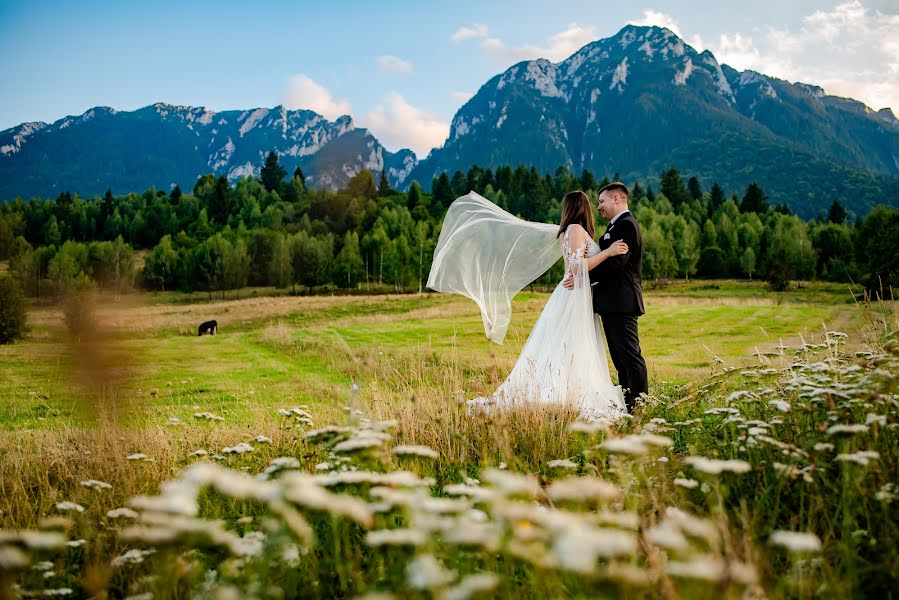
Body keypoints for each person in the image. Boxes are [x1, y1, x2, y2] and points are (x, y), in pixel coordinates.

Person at [427, 190, 628, 420]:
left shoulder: (574, 231)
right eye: (594, 204)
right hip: (573, 298)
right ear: (583, 208)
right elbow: (576, 266)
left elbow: (579, 267)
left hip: (579, 295)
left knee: (575, 344)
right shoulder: (575, 229)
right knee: (570, 344)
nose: (597, 207)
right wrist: (609, 252)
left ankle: (574, 389)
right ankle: (563, 394)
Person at [564, 181, 647, 412]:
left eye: (602, 201)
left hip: (622, 302)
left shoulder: (627, 226)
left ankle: (640, 406)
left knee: (630, 356)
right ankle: (629, 404)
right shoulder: (614, 228)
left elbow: (616, 265)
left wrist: (584, 278)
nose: (598, 206)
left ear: (617, 199)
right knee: (620, 360)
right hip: (611, 303)